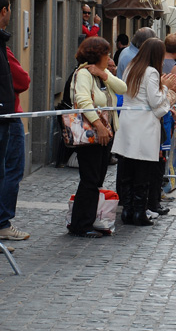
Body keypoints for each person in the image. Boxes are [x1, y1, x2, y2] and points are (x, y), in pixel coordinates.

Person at [112, 38, 176, 226]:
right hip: (144, 127)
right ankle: (139, 213)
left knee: (127, 170)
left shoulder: (131, 68)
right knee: (142, 171)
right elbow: (156, 103)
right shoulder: (150, 72)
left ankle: (127, 210)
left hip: (127, 124)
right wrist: (167, 88)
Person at [67, 37, 127, 238]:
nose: (109, 57)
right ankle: (80, 225)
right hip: (92, 133)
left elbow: (122, 89)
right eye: (107, 54)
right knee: (90, 179)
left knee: (97, 178)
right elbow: (83, 100)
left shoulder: (101, 74)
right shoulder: (83, 74)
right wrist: (98, 125)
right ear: (97, 55)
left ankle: (87, 219)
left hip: (105, 134)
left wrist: (104, 74)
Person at [0, 45, 30, 244]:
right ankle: (2, 223)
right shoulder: (3, 48)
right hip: (8, 116)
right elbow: (22, 80)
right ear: (4, 11)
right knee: (11, 169)